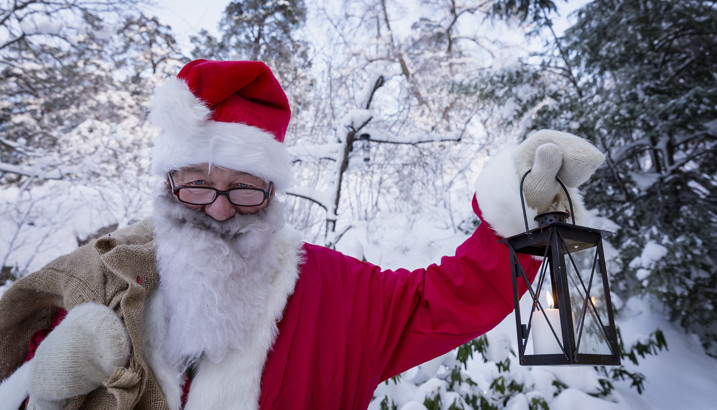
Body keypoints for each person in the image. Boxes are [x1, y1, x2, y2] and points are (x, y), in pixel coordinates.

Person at [0, 59, 605, 410]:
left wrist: (517, 217)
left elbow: (441, 298)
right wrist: (51, 377)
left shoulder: (339, 293)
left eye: (243, 187)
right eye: (196, 185)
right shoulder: (105, 277)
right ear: (168, 185)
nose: (217, 209)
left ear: (271, 195)